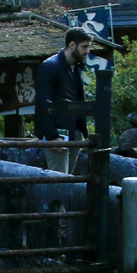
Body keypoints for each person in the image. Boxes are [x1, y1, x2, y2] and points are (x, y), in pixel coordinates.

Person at [34, 28, 91, 172]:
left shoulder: (75, 67)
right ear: (72, 45)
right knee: (59, 181)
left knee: (67, 180)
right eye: (84, 46)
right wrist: (52, 136)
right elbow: (43, 103)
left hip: (73, 132)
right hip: (58, 133)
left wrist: (82, 131)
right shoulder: (50, 66)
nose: (88, 51)